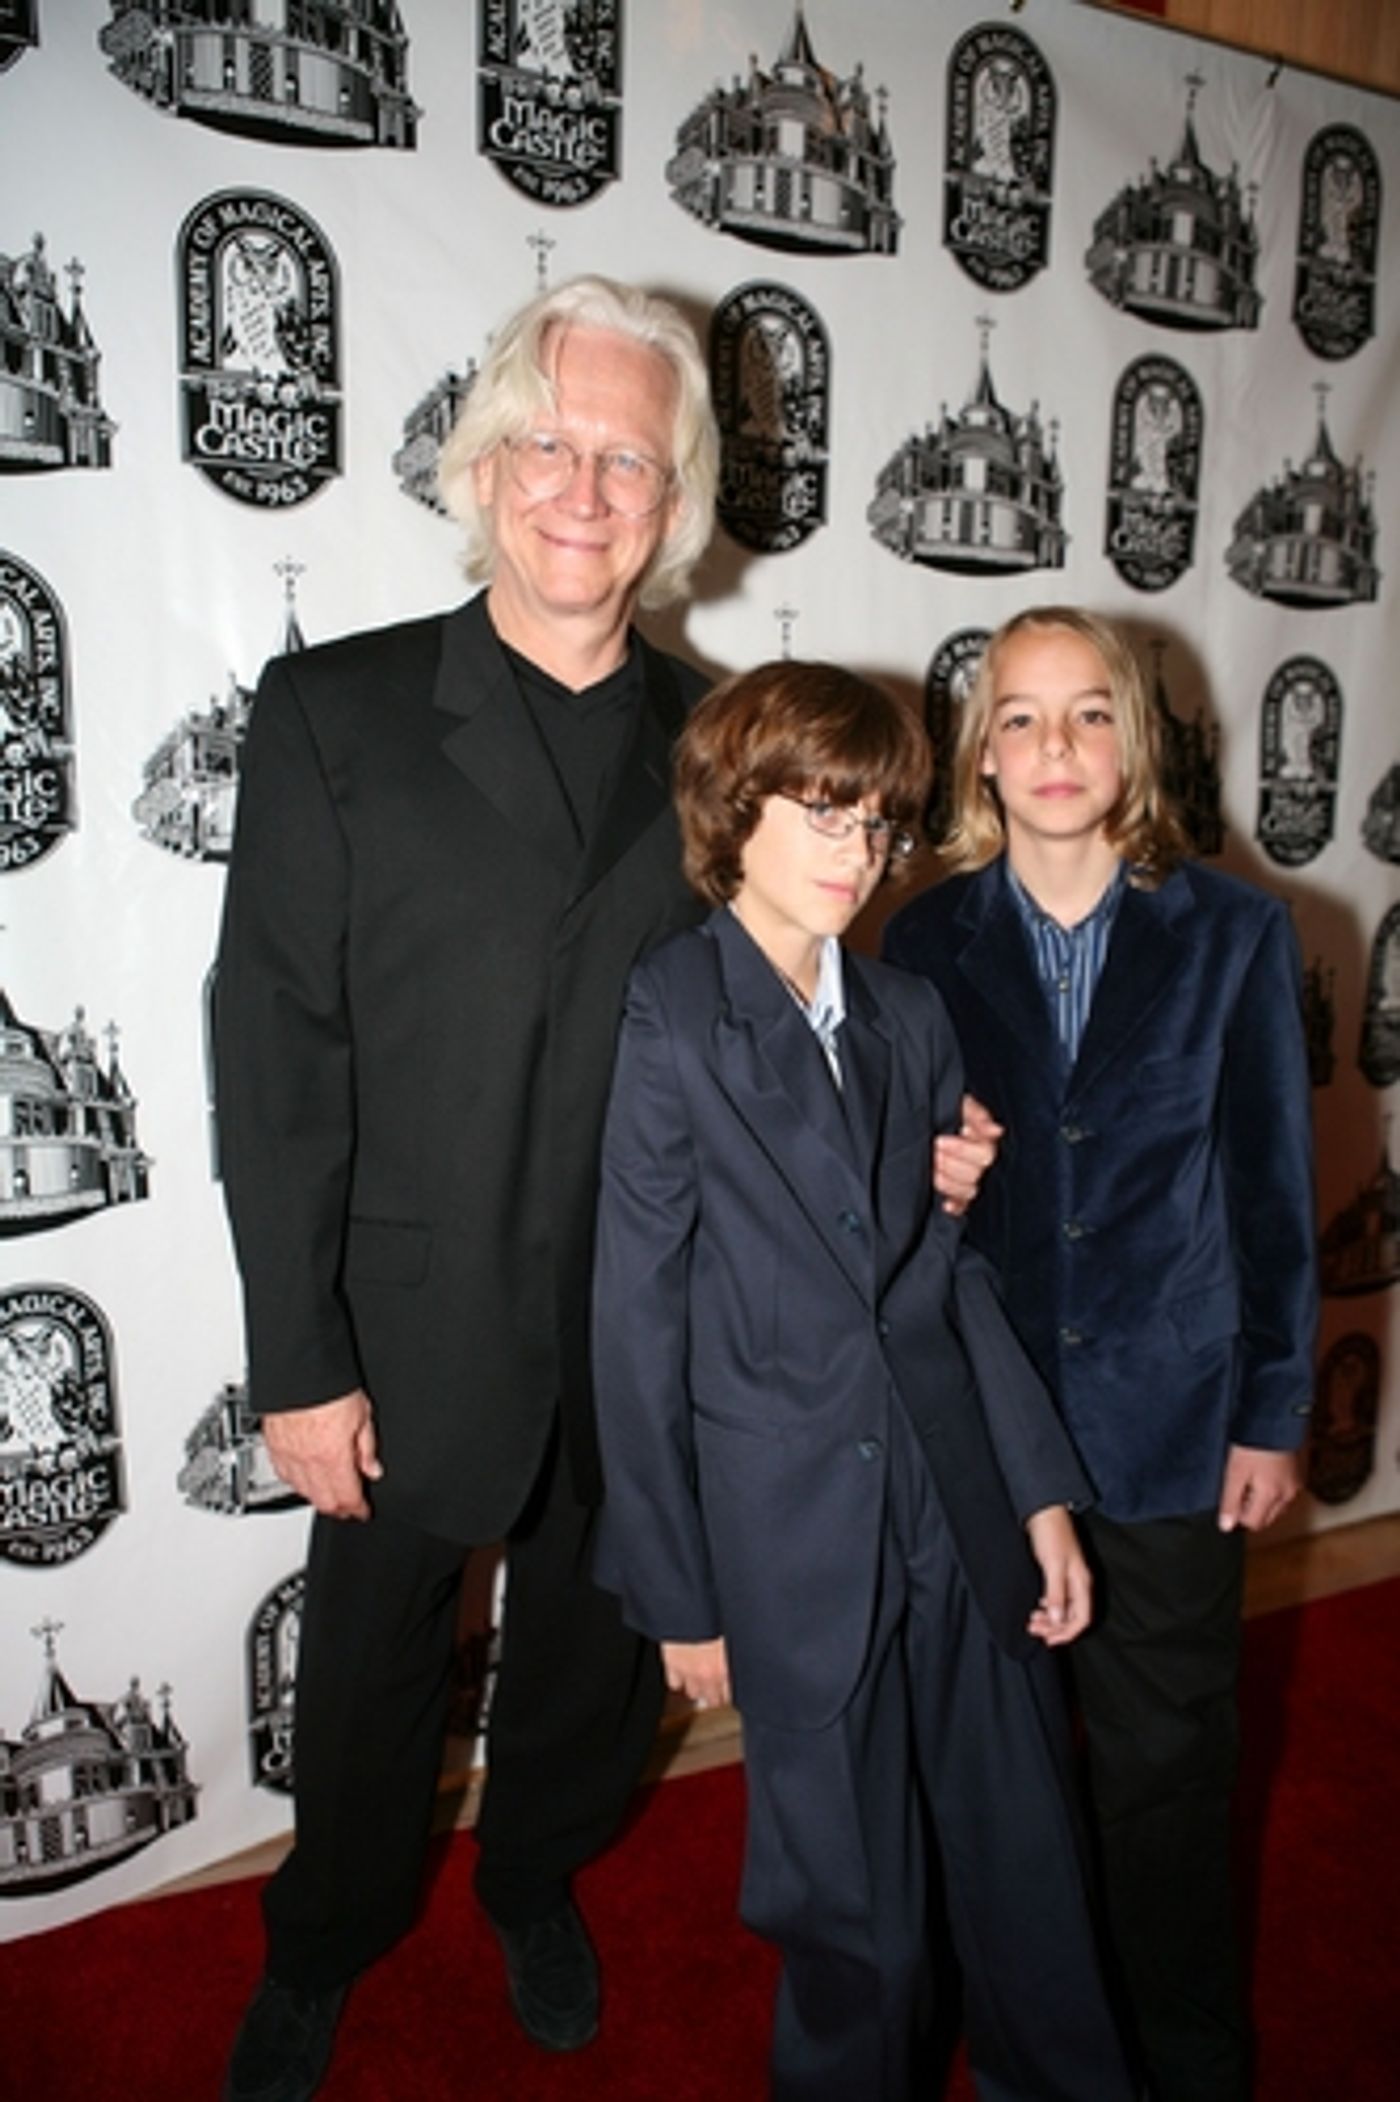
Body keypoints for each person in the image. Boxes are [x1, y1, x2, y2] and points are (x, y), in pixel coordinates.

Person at [213, 278, 990, 2102]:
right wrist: (299, 1357)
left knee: (592, 1658)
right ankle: (322, 1938)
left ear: (678, 500)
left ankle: (533, 1878)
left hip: (656, 1326)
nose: (585, 487)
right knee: (371, 1672)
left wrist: (918, 1130)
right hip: (404, 1330)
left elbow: (806, 1004)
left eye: (629, 459)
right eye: (549, 445)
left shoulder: (728, 749)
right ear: (485, 466)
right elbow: (276, 1052)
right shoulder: (332, 713)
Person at [591, 660, 1134, 2102]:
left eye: (877, 823)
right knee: (855, 1924)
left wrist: (1039, 1497)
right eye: (821, 813)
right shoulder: (669, 1011)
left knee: (1033, 1873)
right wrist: (679, 1590)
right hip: (788, 1541)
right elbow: (635, 1319)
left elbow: (943, 1277)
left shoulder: (906, 1012)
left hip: (957, 1503)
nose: (857, 851)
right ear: (733, 810)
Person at [883, 606, 1318, 2102]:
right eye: (1018, 715)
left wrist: (1272, 1411)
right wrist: (926, 1169)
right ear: (978, 755)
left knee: (1168, 1770)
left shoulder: (1238, 935)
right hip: (985, 1424)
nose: (1053, 745)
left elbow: (1273, 1195)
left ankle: (1187, 2057)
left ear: (1135, 741)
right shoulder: (920, 939)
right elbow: (886, 1185)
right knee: (993, 1775)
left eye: (1087, 713)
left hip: (1172, 1428)